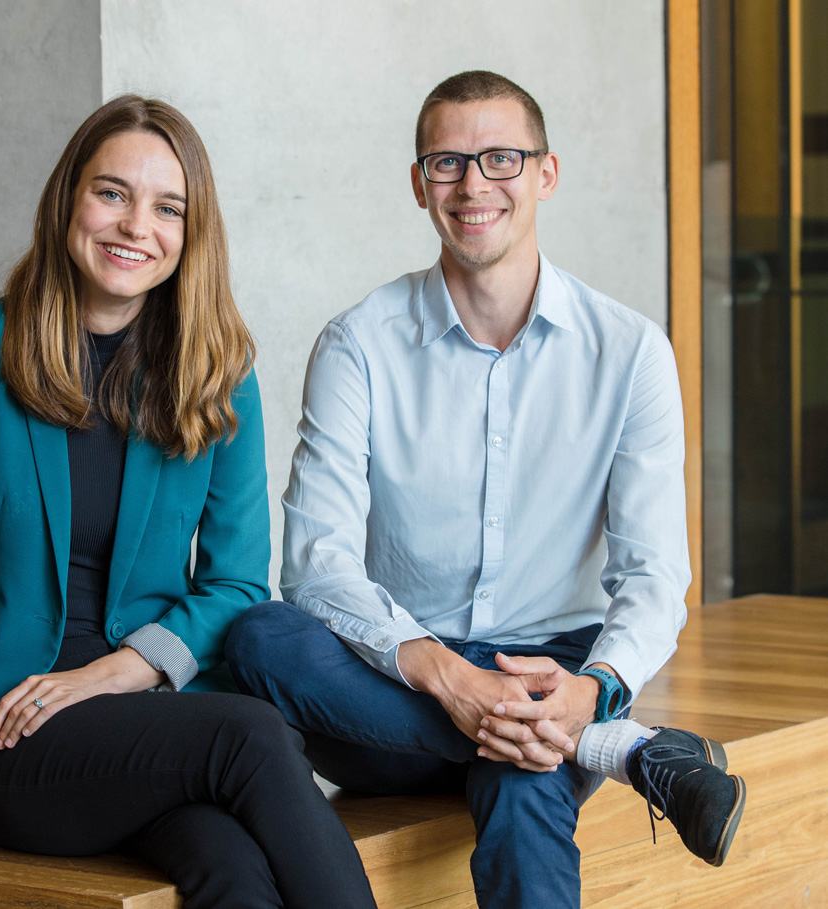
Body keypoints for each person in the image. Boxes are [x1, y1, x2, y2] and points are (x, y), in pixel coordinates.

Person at [0, 95, 376, 909]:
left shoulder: (217, 372)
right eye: (112, 193)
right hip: (16, 739)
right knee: (255, 735)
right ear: (69, 200)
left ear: (191, 236)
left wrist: (112, 675)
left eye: (169, 208)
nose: (137, 225)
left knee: (233, 867)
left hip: (156, 718)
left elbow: (236, 582)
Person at [226, 71, 745, 908]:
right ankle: (625, 749)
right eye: (447, 162)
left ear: (546, 174)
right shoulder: (358, 345)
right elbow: (317, 565)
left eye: (501, 158)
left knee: (521, 779)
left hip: (559, 677)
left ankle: (580, 730)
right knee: (260, 635)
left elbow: (653, 577)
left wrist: (587, 691)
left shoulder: (631, 352)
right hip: (390, 690)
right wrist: (449, 678)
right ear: (418, 184)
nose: (474, 185)